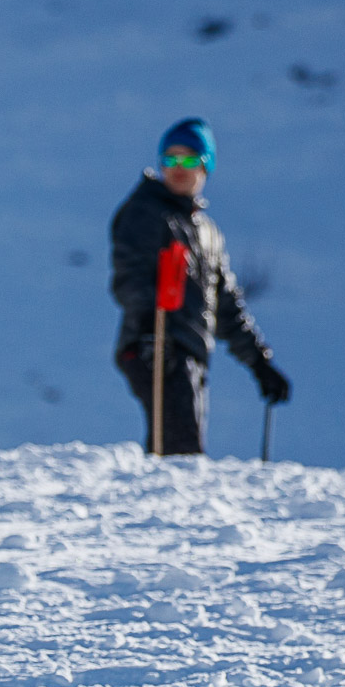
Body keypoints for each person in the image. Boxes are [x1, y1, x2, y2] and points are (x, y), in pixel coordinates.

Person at [110, 118, 289, 454]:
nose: (179, 168)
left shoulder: (206, 231)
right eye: (170, 160)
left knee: (181, 446)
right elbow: (128, 274)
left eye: (189, 159)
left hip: (187, 349)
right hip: (155, 344)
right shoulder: (145, 213)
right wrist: (149, 324)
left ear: (206, 166)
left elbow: (225, 305)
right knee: (181, 450)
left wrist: (259, 363)